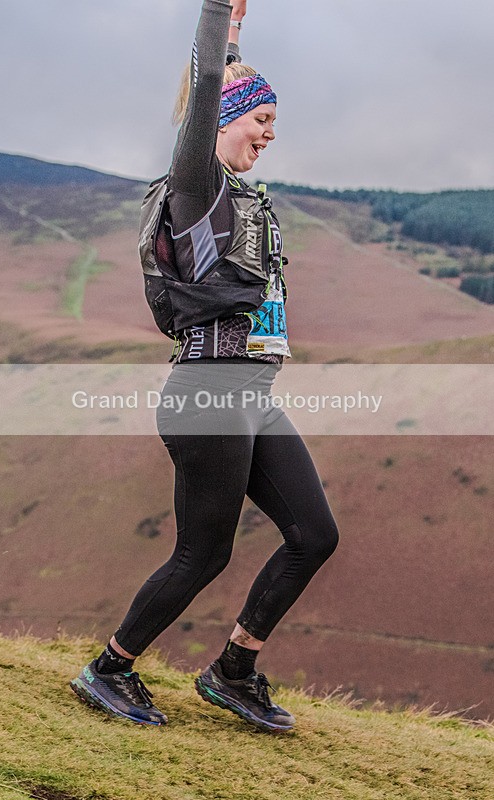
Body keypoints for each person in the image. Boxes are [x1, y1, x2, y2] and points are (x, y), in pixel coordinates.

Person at [70, 0, 339, 733]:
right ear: (227, 114)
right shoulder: (197, 186)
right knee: (203, 553)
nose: (270, 136)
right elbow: (204, 90)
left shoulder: (239, 198)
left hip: (252, 394)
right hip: (210, 392)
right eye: (262, 121)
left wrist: (241, 39)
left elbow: (220, 92)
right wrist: (222, 15)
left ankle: (233, 671)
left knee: (315, 535)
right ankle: (109, 669)